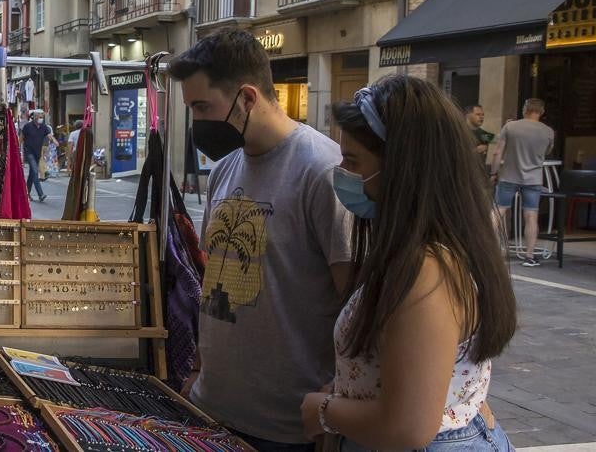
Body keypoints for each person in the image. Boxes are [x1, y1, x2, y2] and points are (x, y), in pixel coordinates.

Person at [301, 75, 516, 451]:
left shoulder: (427, 270)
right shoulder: (420, 253)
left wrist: (321, 410)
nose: (342, 173)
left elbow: (409, 427)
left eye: (353, 161)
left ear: (403, 168)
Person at [168, 28, 352, 452]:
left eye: (202, 107)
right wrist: (198, 369)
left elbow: (356, 303)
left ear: (247, 98)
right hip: (211, 410)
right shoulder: (223, 171)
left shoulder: (322, 171)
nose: (197, 123)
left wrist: (331, 411)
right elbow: (215, 279)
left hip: (287, 429)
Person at [491, 98, 555, 266]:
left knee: (498, 212)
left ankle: (485, 250)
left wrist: (493, 173)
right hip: (533, 179)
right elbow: (547, 151)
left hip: (508, 176)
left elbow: (498, 153)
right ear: (541, 111)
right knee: (531, 215)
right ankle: (529, 256)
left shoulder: (510, 127)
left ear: (525, 109)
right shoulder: (548, 131)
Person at [20, 109, 56, 202]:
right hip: (29, 152)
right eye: (39, 116)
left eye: (42, 116)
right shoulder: (27, 126)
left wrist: (54, 141)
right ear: (35, 117)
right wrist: (17, 149)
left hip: (37, 153)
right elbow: (21, 138)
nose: (41, 118)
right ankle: (41, 194)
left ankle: (26, 194)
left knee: (32, 175)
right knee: (35, 172)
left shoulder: (44, 127)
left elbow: (49, 135)